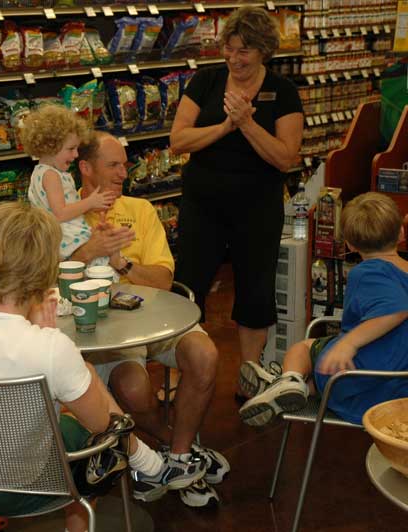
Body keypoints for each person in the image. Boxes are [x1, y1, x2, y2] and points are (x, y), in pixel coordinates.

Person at [0, 202, 203, 532]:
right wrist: (50, 339)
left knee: (76, 380)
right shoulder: (49, 348)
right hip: (19, 490)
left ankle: (149, 465)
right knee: (98, 434)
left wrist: (48, 339)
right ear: (45, 270)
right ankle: (140, 472)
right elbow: (106, 426)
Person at [67, 131, 226, 507]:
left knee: (205, 355)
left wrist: (121, 261)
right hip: (107, 335)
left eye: (125, 163)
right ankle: (179, 452)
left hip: (156, 318)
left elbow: (164, 280)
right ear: (85, 168)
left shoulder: (141, 210)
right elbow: (48, 282)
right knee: (135, 389)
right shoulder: (65, 214)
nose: (124, 172)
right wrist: (90, 251)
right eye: (114, 165)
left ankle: (179, 458)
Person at [168, 6, 304, 401]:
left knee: (255, 289)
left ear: (263, 50)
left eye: (243, 50)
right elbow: (178, 140)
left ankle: (251, 377)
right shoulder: (206, 82)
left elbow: (285, 157)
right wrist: (226, 125)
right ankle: (183, 374)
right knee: (188, 286)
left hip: (257, 207)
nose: (234, 58)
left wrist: (247, 123)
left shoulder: (283, 91)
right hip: (202, 205)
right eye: (228, 49)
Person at [239, 192, 408, 426]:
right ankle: (291, 387)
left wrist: (349, 344)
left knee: (304, 349)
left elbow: (396, 308)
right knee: (323, 367)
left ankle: (286, 381)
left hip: (362, 388)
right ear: (401, 233)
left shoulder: (368, 272)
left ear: (349, 244)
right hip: (397, 392)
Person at [21, 104, 116, 263]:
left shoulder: (41, 172)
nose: (76, 154)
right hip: (66, 238)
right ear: (51, 146)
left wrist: (91, 204)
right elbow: (60, 213)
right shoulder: (51, 175)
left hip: (51, 237)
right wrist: (90, 202)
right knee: (101, 259)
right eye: (71, 148)